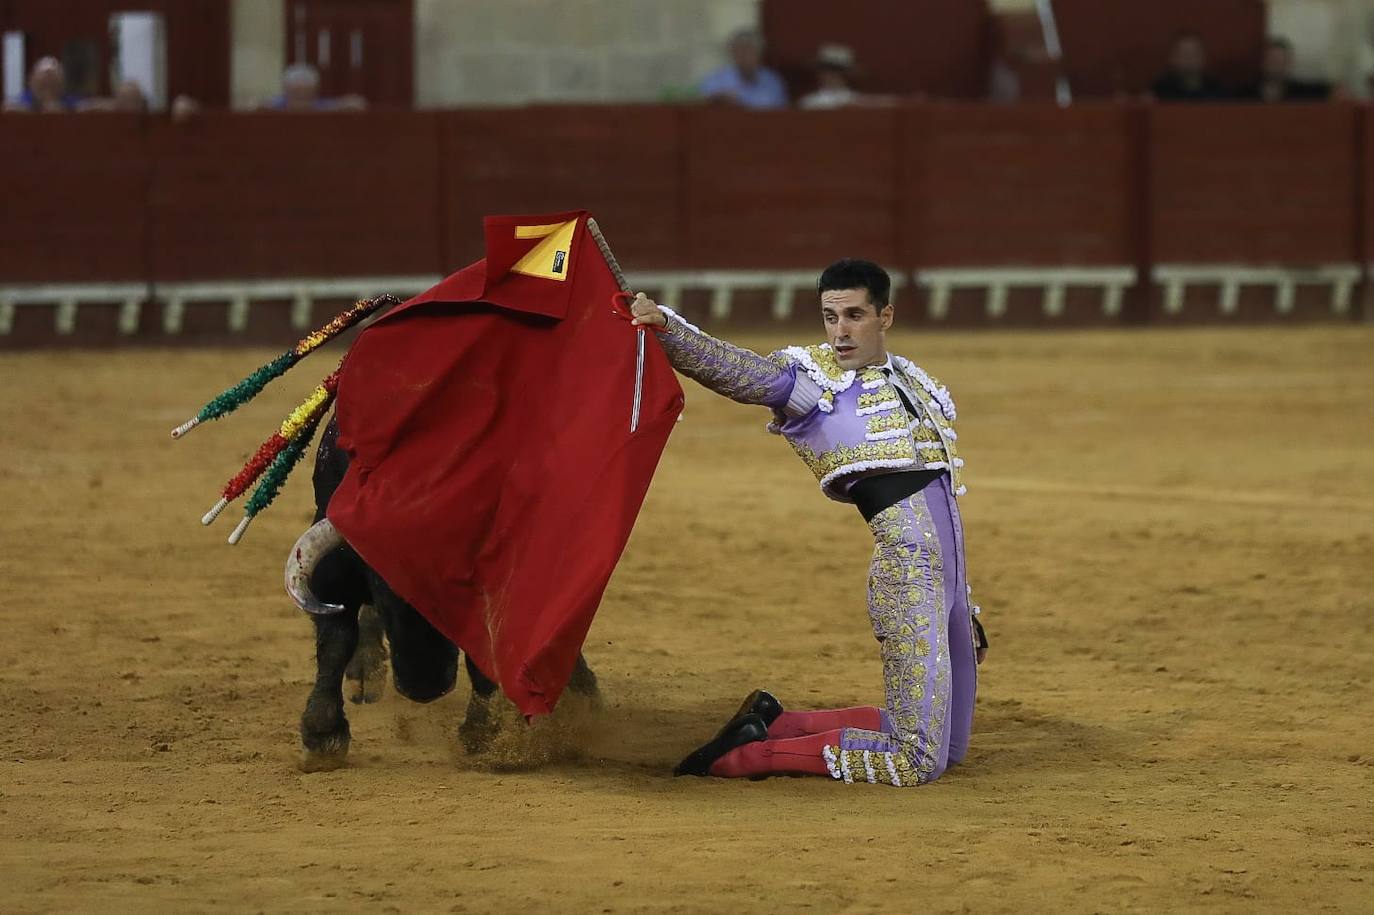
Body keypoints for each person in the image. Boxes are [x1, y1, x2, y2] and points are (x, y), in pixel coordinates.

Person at [627, 259, 987, 787]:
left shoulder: (912, 379)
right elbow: (740, 372)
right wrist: (668, 328)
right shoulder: (814, 384)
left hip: (949, 584)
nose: (840, 331)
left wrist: (963, 603)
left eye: (854, 315)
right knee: (915, 760)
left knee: (949, 748)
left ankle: (777, 723)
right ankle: (747, 757)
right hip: (910, 575)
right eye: (830, 316)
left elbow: (943, 507)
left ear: (884, 316)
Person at [697, 29, 788, 110]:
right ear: (732, 53)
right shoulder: (716, 80)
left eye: (749, 50)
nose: (744, 56)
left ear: (760, 54)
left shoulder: (773, 81)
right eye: (740, 51)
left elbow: (782, 112)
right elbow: (702, 107)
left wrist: (742, 102)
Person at [1237, 37, 1331, 102]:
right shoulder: (1244, 94)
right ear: (1263, 62)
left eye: (1281, 61)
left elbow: (1329, 92)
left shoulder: (1302, 93)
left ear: (1289, 63)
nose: (1276, 65)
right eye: (1272, 59)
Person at [1150, 32, 1228, 101]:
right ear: (1172, 58)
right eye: (1184, 54)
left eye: (1194, 54)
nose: (1189, 59)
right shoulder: (1160, 90)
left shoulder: (1217, 90)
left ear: (1204, 57)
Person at [262, 63, 367, 112]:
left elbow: (356, 103)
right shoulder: (275, 105)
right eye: (295, 93)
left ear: (314, 91)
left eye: (305, 94)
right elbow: (260, 105)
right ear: (286, 90)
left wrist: (346, 104)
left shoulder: (320, 105)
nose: (300, 97)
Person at [3, 57, 81, 113]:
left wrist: (64, 109)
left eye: (53, 83)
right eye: (43, 84)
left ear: (62, 84)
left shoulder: (69, 100)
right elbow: (9, 108)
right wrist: (36, 110)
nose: (48, 88)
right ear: (32, 82)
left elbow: (84, 107)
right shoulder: (24, 99)